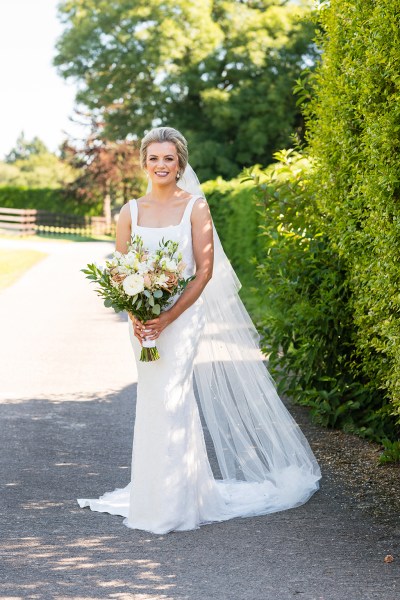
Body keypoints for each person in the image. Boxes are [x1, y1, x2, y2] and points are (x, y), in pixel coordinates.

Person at [78, 126, 321, 534]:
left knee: (173, 396)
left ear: (180, 164)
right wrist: (137, 316)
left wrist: (167, 317)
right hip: (142, 323)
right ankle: (155, 495)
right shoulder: (129, 212)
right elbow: (120, 272)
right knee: (153, 401)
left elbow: (204, 271)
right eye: (153, 158)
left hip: (183, 317)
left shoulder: (196, 208)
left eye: (168, 159)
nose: (160, 165)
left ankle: (176, 504)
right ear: (143, 163)